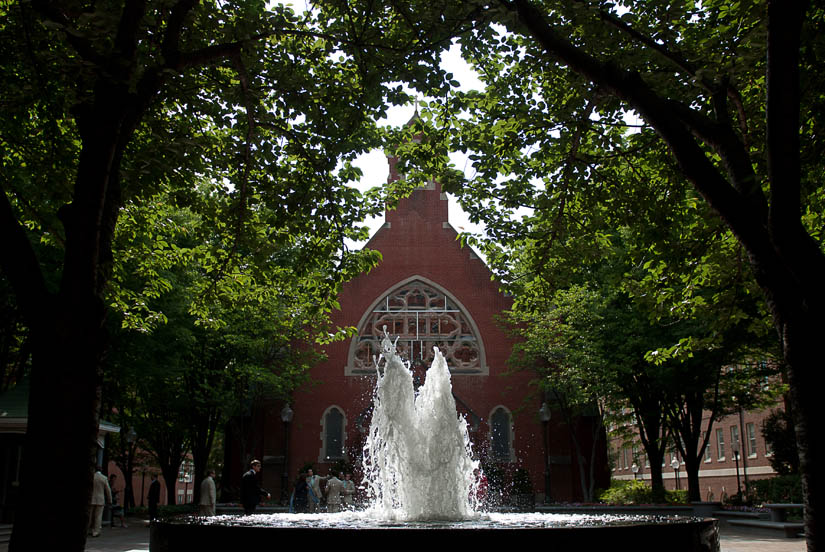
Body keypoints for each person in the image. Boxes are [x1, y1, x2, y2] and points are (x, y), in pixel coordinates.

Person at [89, 467, 111, 537]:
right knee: (98, 516)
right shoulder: (104, 478)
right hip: (100, 499)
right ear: (101, 470)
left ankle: (87, 529)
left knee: (89, 515)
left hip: (91, 498)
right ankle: (96, 531)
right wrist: (110, 500)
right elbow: (108, 490)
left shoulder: (92, 477)